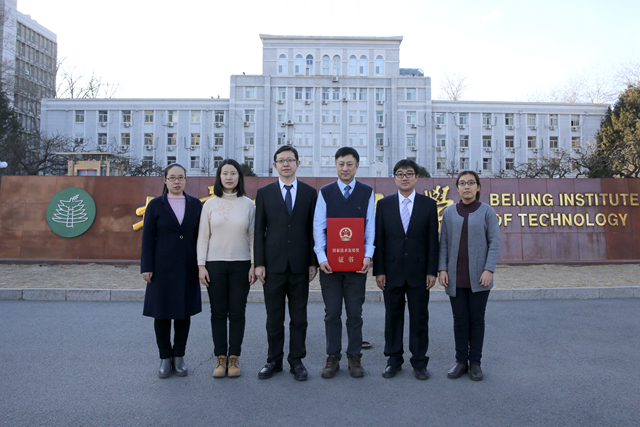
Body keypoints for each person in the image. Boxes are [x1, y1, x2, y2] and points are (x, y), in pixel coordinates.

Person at [254, 145, 318, 381]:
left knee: (299, 317)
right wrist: (259, 263)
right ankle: (273, 360)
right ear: (275, 165)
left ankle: (296, 360)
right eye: (281, 161)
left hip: (300, 265)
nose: (286, 164)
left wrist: (312, 262)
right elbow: (259, 230)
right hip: (273, 266)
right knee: (274, 317)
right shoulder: (264, 193)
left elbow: (313, 230)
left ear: (298, 164)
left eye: (290, 160)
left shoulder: (310, 193)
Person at [373, 159, 439, 380]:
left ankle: (419, 362)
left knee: (419, 318)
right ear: (394, 178)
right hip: (391, 271)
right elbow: (379, 239)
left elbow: (433, 240)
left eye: (409, 173)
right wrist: (379, 271)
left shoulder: (428, 205)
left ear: (417, 177)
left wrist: (432, 271)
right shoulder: (384, 205)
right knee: (393, 318)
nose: (404, 177)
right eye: (400, 174)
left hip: (419, 272)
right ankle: (393, 360)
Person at [313, 147, 375, 378]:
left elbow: (370, 225)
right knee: (332, 312)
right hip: (330, 265)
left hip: (357, 264)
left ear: (357, 166)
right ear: (336, 166)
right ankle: (333, 357)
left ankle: (354, 357)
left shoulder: (366, 192)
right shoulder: (326, 192)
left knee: (355, 313)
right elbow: (319, 226)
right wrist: (321, 257)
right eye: (341, 164)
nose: (345, 168)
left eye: (350, 164)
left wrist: (368, 255)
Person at [141, 163, 203, 379]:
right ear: (165, 180)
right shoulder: (155, 205)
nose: (177, 181)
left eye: (181, 177)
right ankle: (165, 357)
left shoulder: (195, 205)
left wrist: (201, 264)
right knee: (162, 314)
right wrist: (147, 267)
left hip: (188, 267)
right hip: (161, 268)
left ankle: (179, 356)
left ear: (186, 180)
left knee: (183, 314)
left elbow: (201, 237)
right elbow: (147, 237)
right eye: (172, 177)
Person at [438, 170, 500, 381]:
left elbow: (494, 243)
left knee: (477, 320)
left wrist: (489, 269)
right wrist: (442, 269)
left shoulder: (487, 212)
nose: (467, 187)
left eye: (471, 183)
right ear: (457, 188)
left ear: (478, 187)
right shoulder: (449, 212)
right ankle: (460, 361)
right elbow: (443, 243)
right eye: (462, 183)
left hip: (480, 277)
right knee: (460, 320)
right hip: (455, 277)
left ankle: (475, 363)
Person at [197, 159, 256, 378]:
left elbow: (254, 237)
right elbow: (203, 236)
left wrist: (254, 264)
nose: (229, 177)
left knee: (238, 313)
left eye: (233, 173)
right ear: (219, 177)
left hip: (241, 264)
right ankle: (220, 358)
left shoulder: (248, 204)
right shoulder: (210, 205)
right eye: (225, 173)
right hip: (215, 265)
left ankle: (234, 359)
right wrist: (201, 265)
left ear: (239, 177)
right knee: (218, 313)